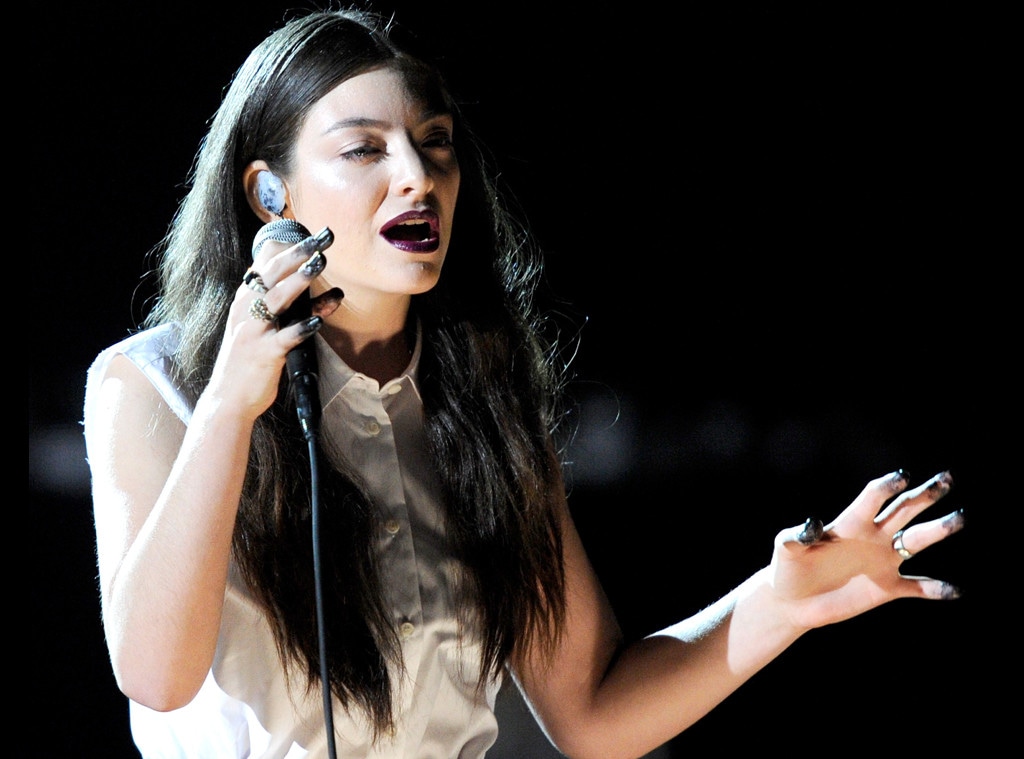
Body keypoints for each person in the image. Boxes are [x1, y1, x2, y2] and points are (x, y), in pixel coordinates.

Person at [81, 6, 966, 758]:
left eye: (434, 145)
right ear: (270, 194)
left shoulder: (479, 395)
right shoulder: (151, 385)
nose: (417, 177)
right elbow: (155, 678)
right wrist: (234, 407)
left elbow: (591, 711)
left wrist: (782, 603)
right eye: (364, 151)